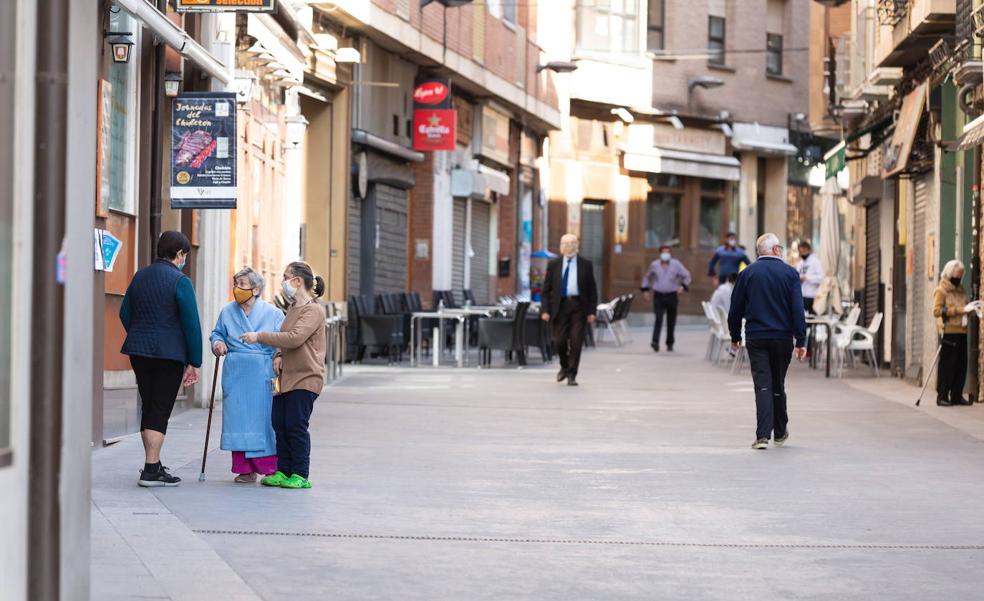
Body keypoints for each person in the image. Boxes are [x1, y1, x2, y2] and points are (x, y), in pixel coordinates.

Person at [120, 231, 202, 487]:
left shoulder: (140, 276)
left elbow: (125, 312)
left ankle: (152, 463)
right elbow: (191, 324)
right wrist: (195, 360)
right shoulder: (180, 281)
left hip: (139, 351)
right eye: (184, 255)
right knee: (160, 408)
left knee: (149, 404)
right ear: (179, 254)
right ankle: (151, 469)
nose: (184, 260)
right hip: (168, 354)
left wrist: (140, 333)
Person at [241, 262, 326, 489]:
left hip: (306, 377)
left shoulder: (313, 310)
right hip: (285, 377)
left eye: (286, 277)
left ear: (297, 281)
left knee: (296, 425)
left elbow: (295, 338)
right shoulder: (292, 308)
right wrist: (278, 355)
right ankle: (283, 470)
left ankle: (300, 474)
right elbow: (284, 337)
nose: (283, 282)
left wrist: (259, 336)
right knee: (280, 423)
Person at [728, 233, 807, 450]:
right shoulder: (790, 274)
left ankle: (763, 435)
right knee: (778, 383)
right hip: (782, 338)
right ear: (774, 250)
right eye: (779, 247)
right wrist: (801, 340)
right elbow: (797, 309)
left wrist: (735, 336)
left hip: (757, 337)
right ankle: (780, 432)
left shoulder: (747, 274)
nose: (780, 250)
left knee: (762, 384)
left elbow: (735, 309)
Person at [210, 267, 285, 483]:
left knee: (263, 420)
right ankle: (245, 469)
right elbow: (217, 333)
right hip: (236, 371)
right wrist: (218, 343)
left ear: (256, 289)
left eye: (243, 284)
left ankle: (269, 468)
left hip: (261, 370)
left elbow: (283, 339)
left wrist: (279, 355)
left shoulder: (274, 313)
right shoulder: (227, 312)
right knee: (238, 419)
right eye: (236, 283)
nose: (238, 288)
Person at [541, 234, 598, 386]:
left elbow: (592, 290)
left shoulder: (586, 264)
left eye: (572, 243)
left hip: (579, 307)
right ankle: (564, 366)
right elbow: (546, 291)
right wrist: (545, 310)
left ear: (577, 245)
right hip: (560, 307)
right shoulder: (553, 265)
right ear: (561, 246)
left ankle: (572, 374)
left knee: (576, 341)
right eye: (565, 243)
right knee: (559, 341)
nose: (569, 246)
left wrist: (592, 311)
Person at [932, 260, 973, 406]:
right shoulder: (941, 290)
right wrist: (958, 310)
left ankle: (957, 395)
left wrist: (970, 309)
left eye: (961, 275)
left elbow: (965, 305)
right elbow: (936, 311)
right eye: (957, 274)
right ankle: (942, 396)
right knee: (948, 365)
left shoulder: (960, 290)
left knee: (961, 365)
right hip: (949, 330)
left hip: (962, 330)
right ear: (950, 273)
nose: (959, 277)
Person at [640, 245, 692, 352]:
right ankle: (655, 342)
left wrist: (682, 287)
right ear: (660, 254)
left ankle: (670, 343)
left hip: (672, 294)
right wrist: (645, 290)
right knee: (658, 318)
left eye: (668, 252)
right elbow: (647, 277)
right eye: (663, 252)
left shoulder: (676, 264)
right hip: (658, 295)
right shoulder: (654, 265)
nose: (665, 254)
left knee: (671, 320)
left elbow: (687, 275)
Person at [796, 241, 824, 314]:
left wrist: (807, 278)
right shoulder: (800, 263)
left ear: (809, 250)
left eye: (804, 251)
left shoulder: (816, 262)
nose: (803, 254)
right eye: (801, 252)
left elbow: (821, 278)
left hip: (812, 296)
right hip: (802, 295)